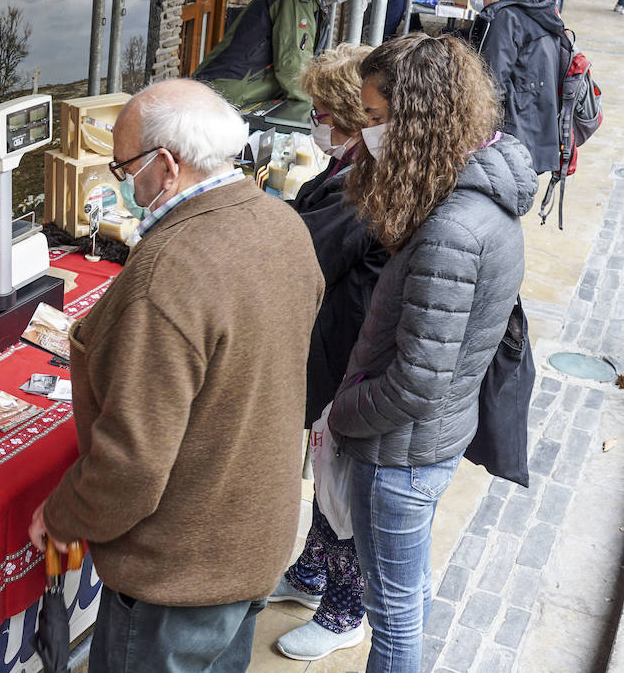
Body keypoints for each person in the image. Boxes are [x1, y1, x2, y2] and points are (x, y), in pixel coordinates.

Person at [27, 79, 325, 673]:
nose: (121, 182)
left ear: (165, 166)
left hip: (180, 570)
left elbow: (132, 465)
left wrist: (63, 515)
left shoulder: (168, 270)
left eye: (123, 166)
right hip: (250, 539)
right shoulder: (283, 224)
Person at [328, 33, 536, 673]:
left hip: (402, 453)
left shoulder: (452, 229)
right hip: (426, 443)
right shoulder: (470, 199)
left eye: (374, 116)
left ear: (415, 118)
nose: (366, 131)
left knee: (392, 621)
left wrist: (343, 414)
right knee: (403, 591)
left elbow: (415, 381)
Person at [267, 44, 389, 662]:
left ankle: (346, 612)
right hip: (338, 343)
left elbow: (307, 250)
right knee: (328, 475)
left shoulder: (364, 184)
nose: (313, 120)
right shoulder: (348, 168)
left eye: (320, 110)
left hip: (349, 353)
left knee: (342, 483)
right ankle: (312, 574)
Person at [195, 0, 357, 108]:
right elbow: (294, 65)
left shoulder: (313, 1)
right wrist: (314, 108)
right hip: (224, 95)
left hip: (239, 96)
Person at [458, 0, 565, 174]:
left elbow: (490, 83)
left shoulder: (504, 18)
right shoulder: (536, 7)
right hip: (539, 130)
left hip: (514, 135)